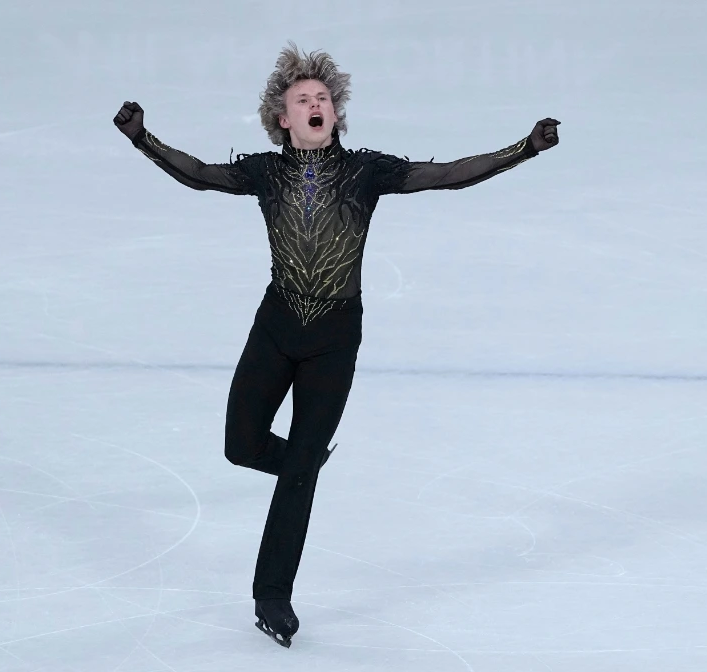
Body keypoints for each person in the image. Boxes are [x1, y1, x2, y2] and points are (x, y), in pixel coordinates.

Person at [114, 41, 559, 647]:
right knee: (240, 446)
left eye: (323, 97)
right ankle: (305, 456)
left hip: (333, 339)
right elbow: (201, 176)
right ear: (283, 119)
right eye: (303, 99)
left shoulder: (366, 171)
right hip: (275, 327)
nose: (316, 104)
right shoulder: (265, 172)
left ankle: (272, 594)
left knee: (296, 476)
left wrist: (523, 149)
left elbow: (448, 175)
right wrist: (144, 139)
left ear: (335, 113)